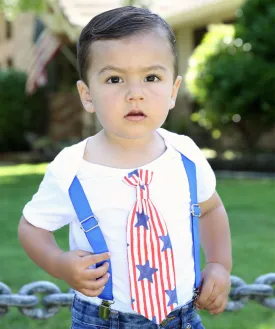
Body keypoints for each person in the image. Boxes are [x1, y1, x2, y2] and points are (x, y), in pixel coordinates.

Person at [18, 6, 232, 329]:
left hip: (182, 318)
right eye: (115, 79)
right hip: (103, 320)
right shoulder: (72, 168)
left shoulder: (185, 155)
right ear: (87, 95)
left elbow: (212, 209)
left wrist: (218, 263)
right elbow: (31, 227)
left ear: (173, 91)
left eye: (151, 77)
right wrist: (59, 263)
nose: (135, 94)